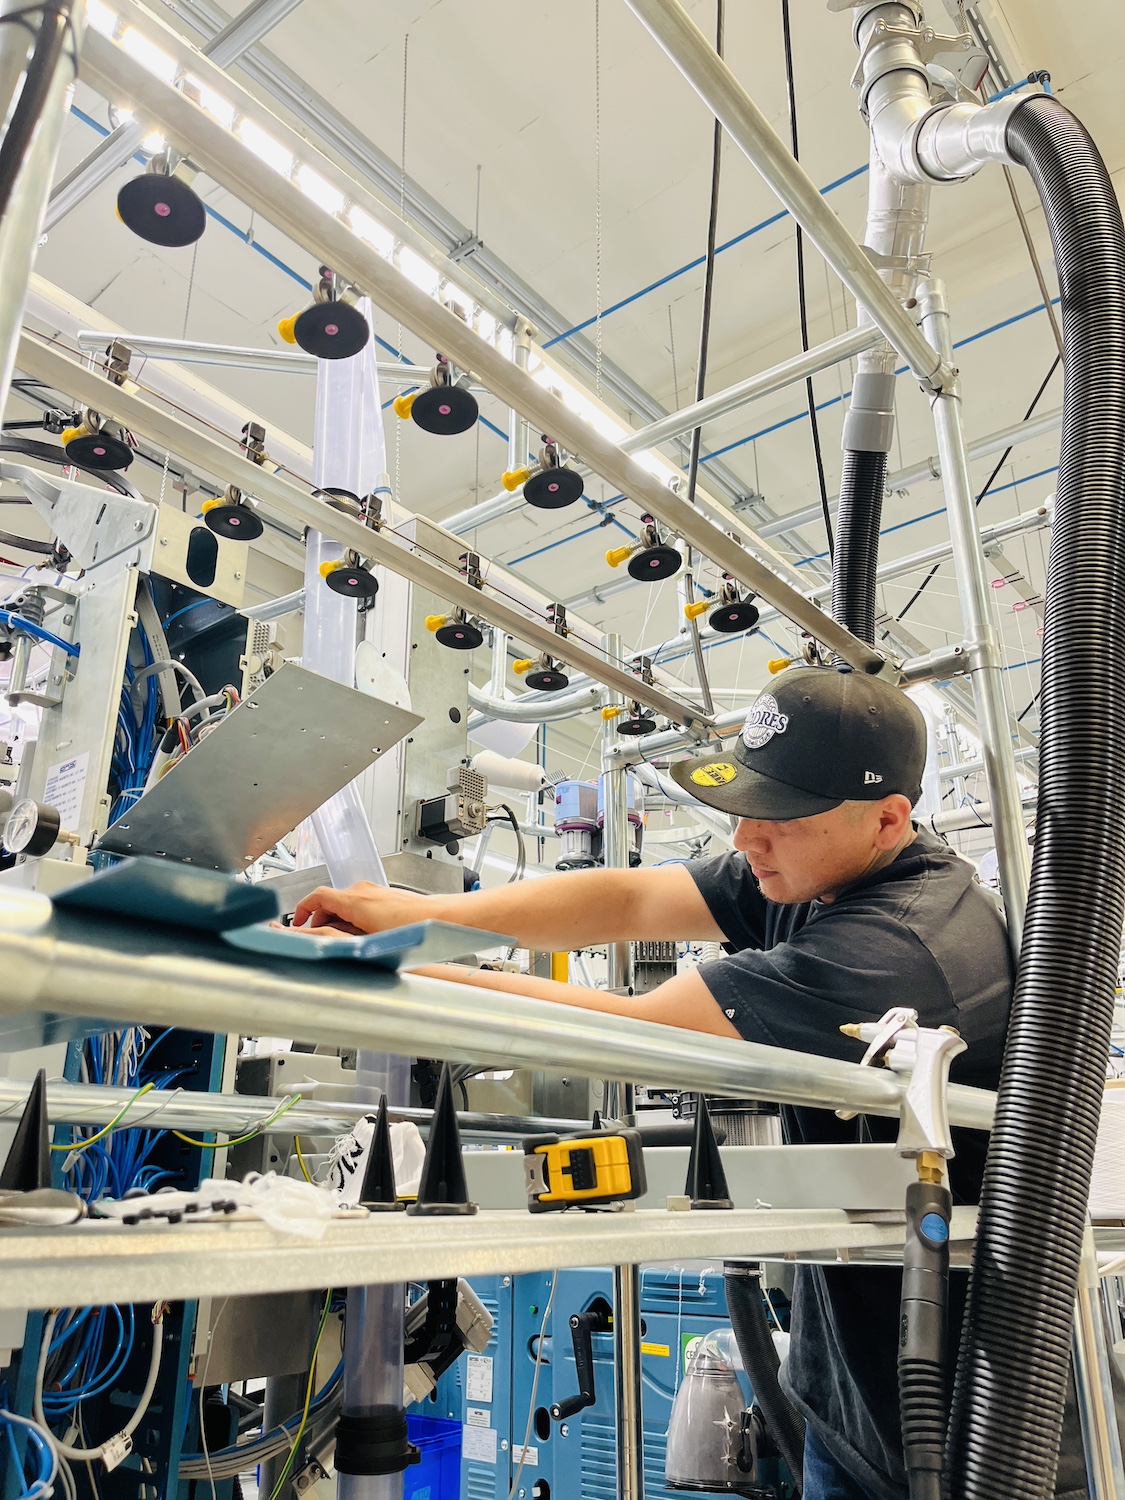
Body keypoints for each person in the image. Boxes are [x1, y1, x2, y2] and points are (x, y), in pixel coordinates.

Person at [294, 663, 1014, 1500]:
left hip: (949, 1418)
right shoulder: (826, 863)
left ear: (888, 818)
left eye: (777, 819)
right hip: (850, 1383)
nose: (747, 840)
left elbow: (621, 1030)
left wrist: (369, 965)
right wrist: (414, 916)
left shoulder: (895, 946)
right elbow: (634, 899)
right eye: (745, 808)